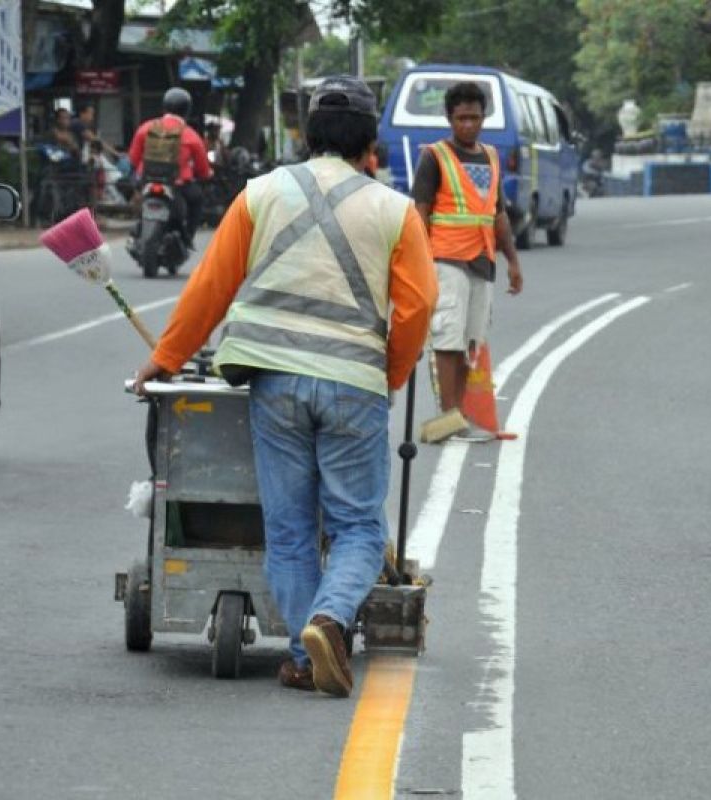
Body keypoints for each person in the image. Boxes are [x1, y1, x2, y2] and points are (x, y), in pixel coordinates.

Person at [131, 76, 437, 698]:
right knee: (356, 527)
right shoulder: (395, 211)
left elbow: (209, 291)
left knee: (291, 526)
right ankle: (329, 620)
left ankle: (303, 654)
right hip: (354, 384)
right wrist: (392, 374)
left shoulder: (261, 194)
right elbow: (418, 307)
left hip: (272, 382)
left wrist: (164, 360)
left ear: (306, 134)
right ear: (371, 141)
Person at [411, 81, 523, 442]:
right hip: (445, 259)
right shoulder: (434, 157)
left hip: (482, 259)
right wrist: (417, 262)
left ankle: (457, 416)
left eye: (474, 118)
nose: (468, 125)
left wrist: (513, 261)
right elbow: (420, 212)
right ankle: (447, 417)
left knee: (471, 343)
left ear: (483, 118)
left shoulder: (490, 157)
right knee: (447, 339)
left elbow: (498, 213)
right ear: (449, 118)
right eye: (461, 118)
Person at [128, 87, 212, 248]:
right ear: (187, 110)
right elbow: (203, 170)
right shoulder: (190, 135)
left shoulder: (146, 128)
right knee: (197, 200)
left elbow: (132, 159)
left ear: (164, 106)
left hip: (146, 181)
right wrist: (207, 174)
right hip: (178, 185)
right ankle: (188, 237)